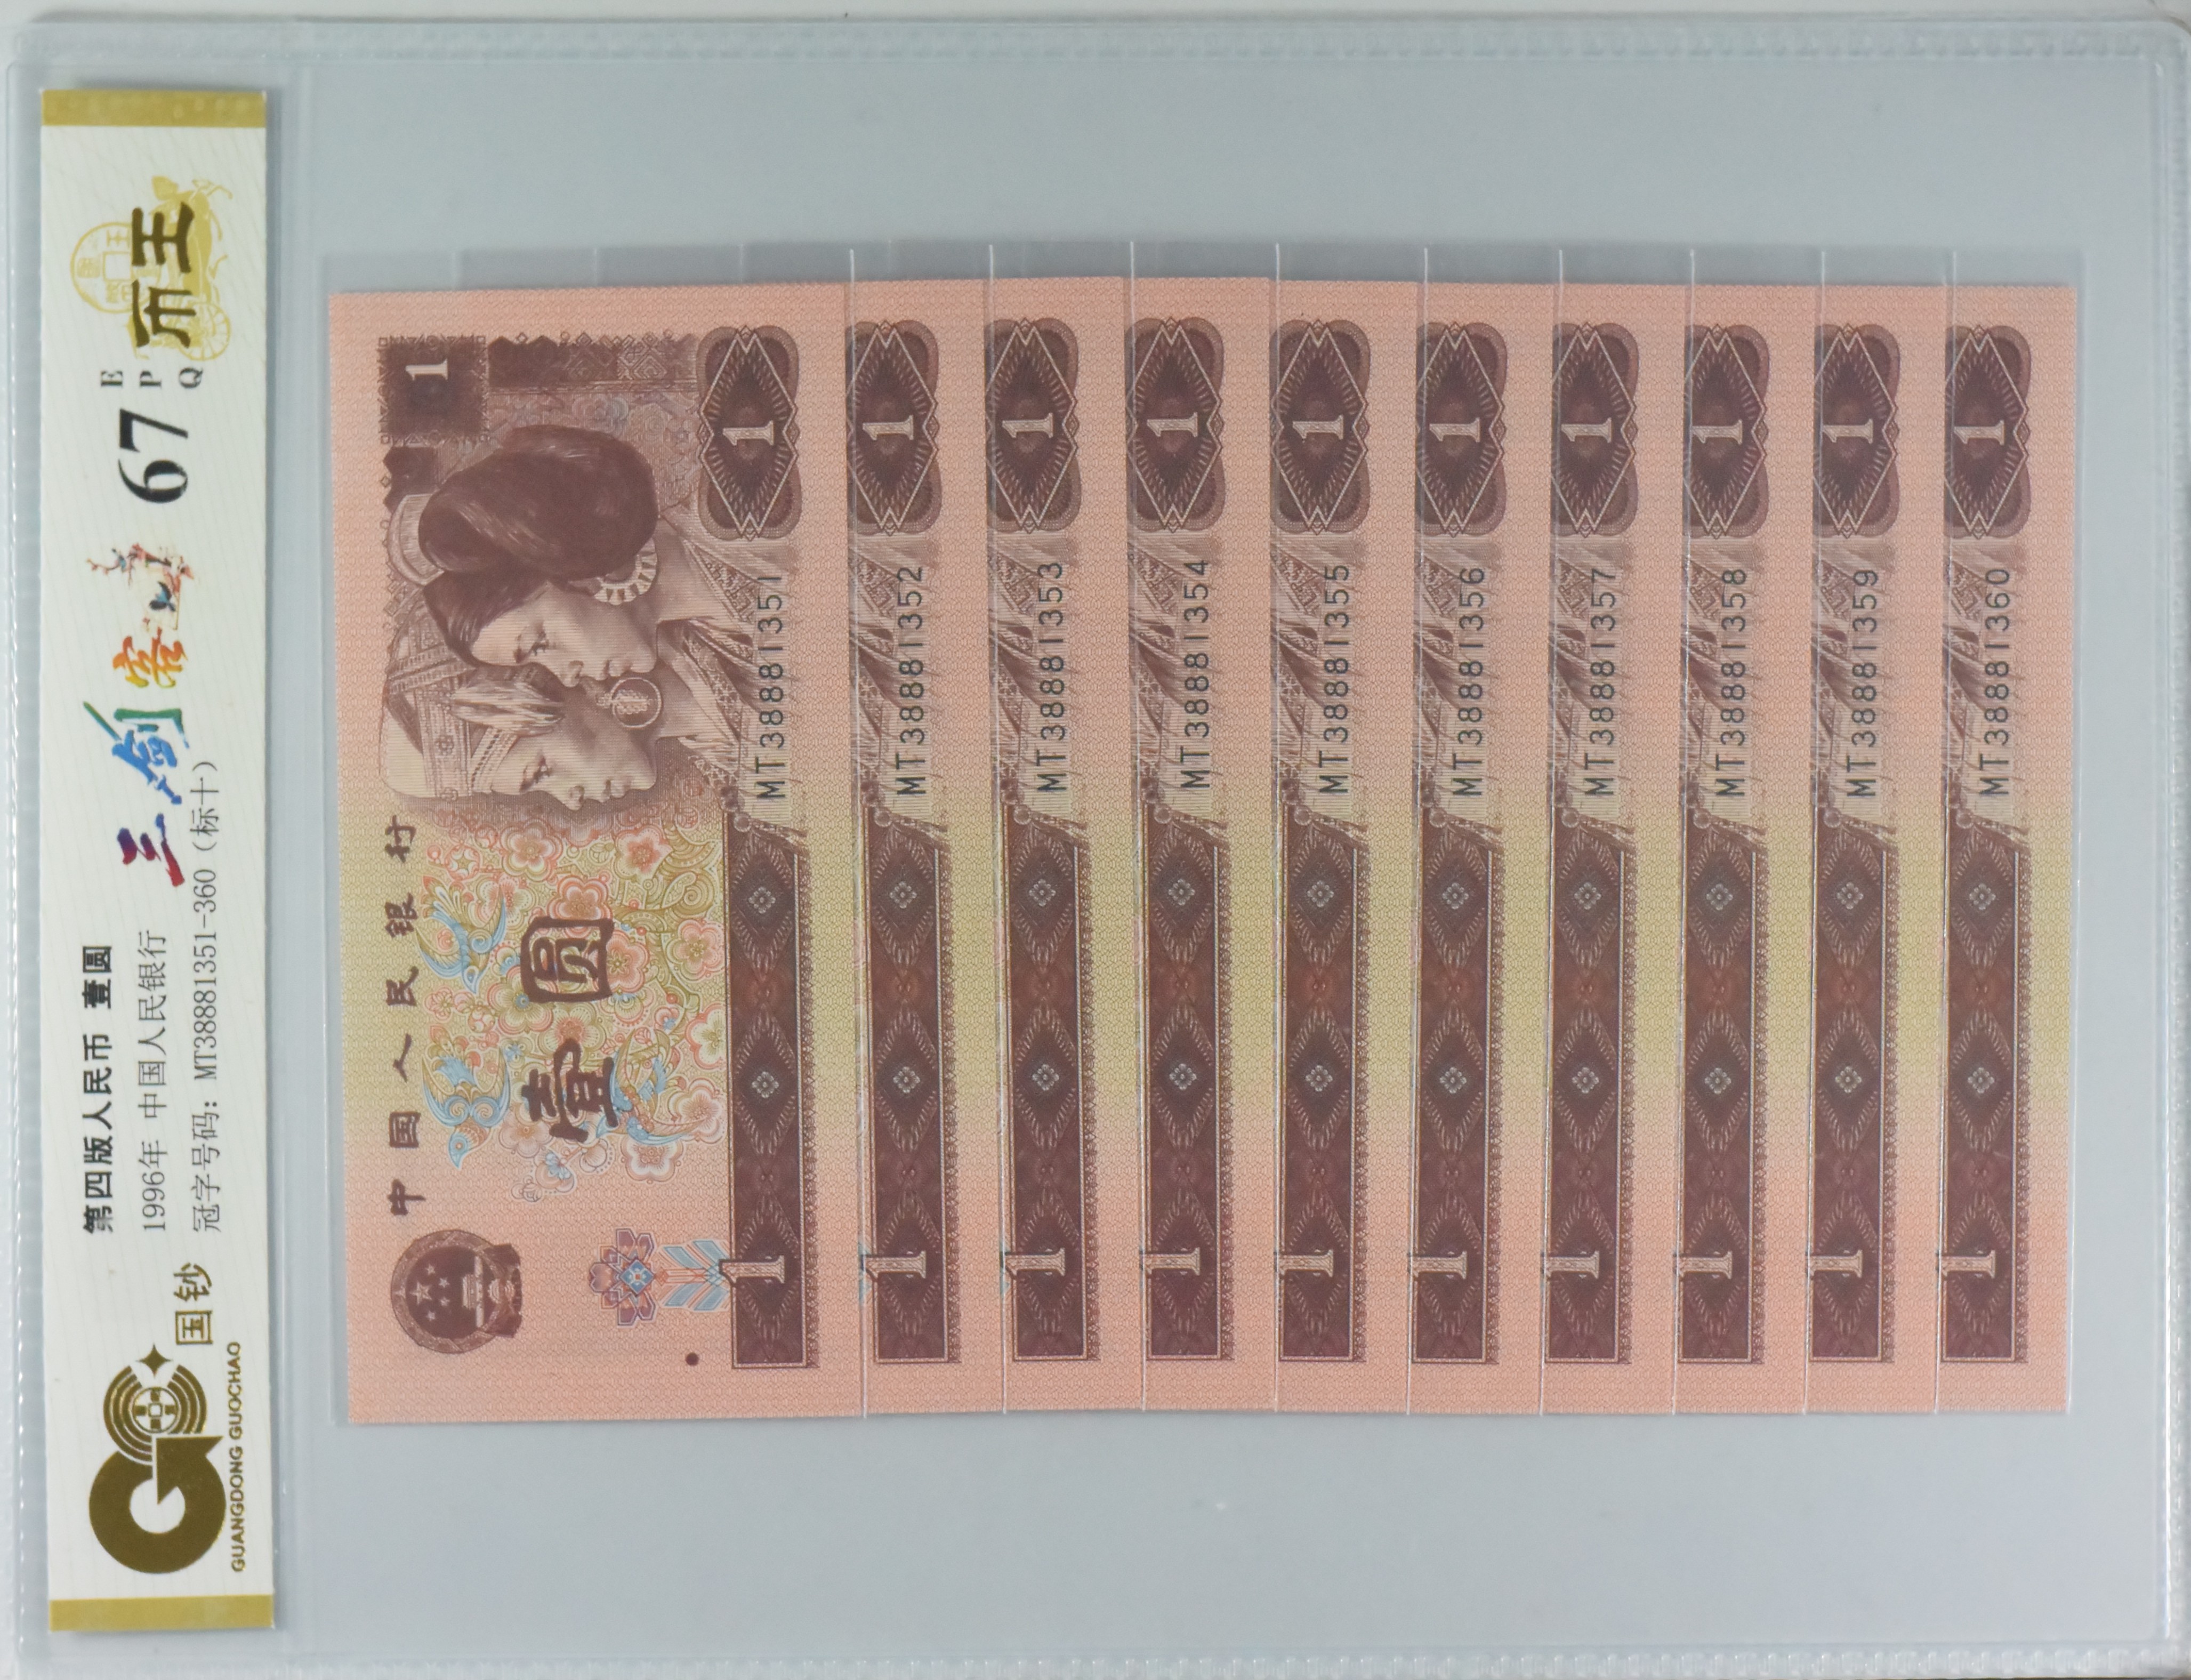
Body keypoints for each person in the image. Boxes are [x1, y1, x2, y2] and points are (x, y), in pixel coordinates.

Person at [396, 424, 758, 688]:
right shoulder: (703, 663)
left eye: (539, 645)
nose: (568, 678)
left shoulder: (749, 525)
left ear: (575, 575)